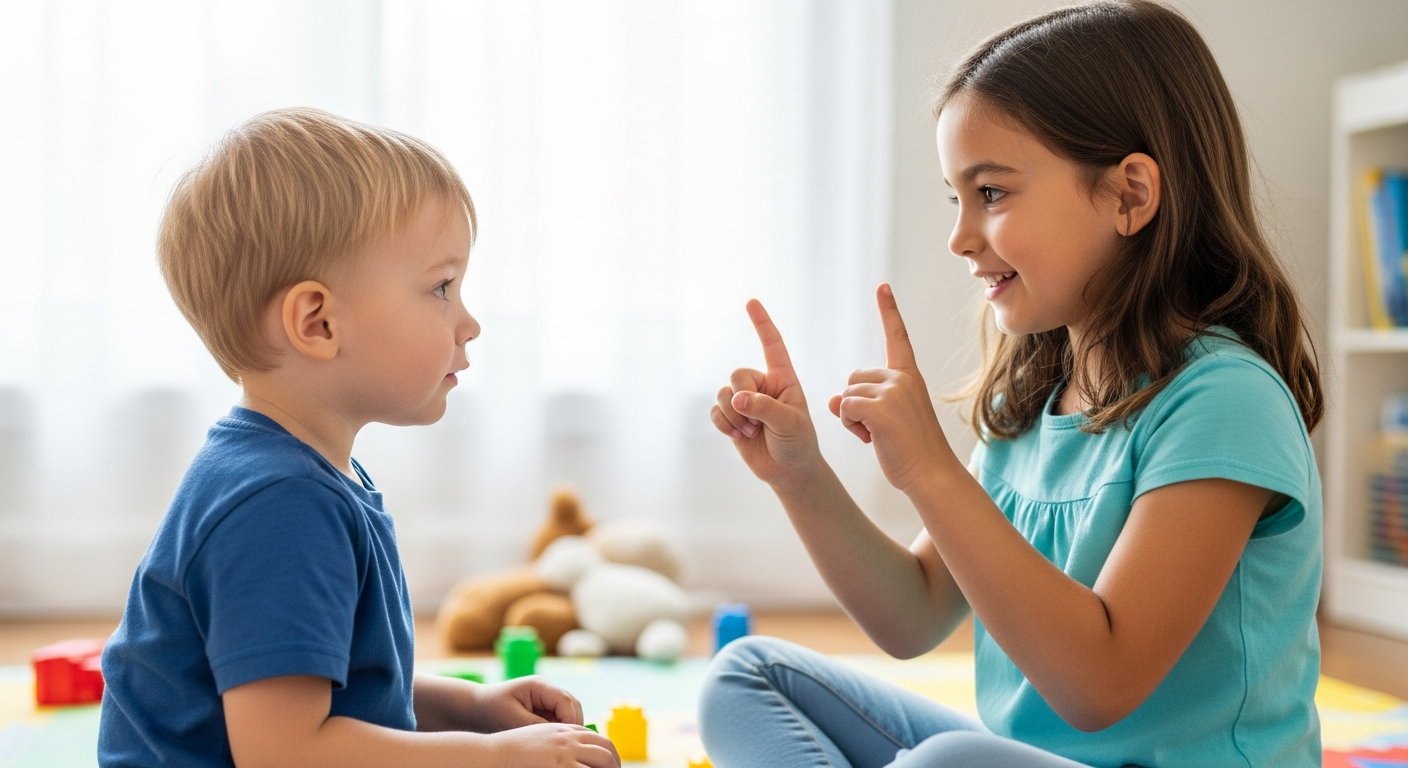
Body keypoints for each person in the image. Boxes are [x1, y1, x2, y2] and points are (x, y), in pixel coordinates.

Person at [701, 2, 1324, 766]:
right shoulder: (1036, 399)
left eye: (990, 193)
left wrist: (928, 469)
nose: (960, 236)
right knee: (747, 675)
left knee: (946, 762)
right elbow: (913, 616)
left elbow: (1100, 683)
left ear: (1129, 195)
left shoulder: (1226, 401)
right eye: (954, 198)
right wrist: (801, 476)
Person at [98, 108, 619, 768]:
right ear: (318, 323)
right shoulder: (277, 505)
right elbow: (285, 751)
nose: (469, 323)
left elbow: (333, 692)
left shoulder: (305, 473)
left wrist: (469, 708)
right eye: (442, 287)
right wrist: (493, 758)